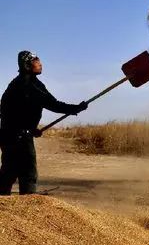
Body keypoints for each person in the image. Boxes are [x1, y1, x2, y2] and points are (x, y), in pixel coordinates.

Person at [0, 51, 88, 195]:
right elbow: (54, 104)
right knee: (28, 174)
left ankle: (5, 208)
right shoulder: (32, 85)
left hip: (7, 136)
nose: (40, 63)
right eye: (36, 60)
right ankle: (27, 207)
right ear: (27, 65)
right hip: (19, 139)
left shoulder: (15, 84)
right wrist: (76, 108)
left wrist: (31, 128)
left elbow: (9, 111)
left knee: (8, 173)